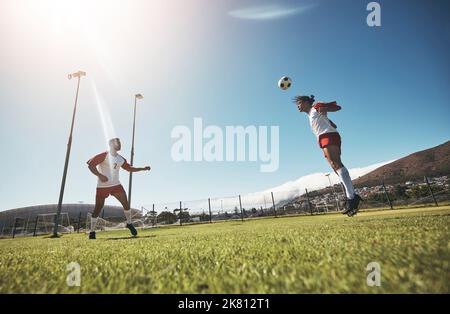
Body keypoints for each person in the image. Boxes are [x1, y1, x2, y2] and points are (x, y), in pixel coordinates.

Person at [293, 95, 361, 216]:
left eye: (299, 103)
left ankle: (352, 197)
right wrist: (328, 120)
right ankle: (351, 196)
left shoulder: (316, 106)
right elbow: (334, 125)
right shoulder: (310, 115)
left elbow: (337, 107)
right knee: (335, 167)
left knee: (336, 164)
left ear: (305, 102)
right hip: (324, 137)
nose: (297, 106)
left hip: (328, 136)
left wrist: (325, 108)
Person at [86, 138, 151, 239]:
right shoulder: (104, 155)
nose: (120, 144)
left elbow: (129, 168)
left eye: (120, 142)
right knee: (98, 209)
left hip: (116, 185)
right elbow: (90, 165)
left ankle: (129, 223)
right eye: (118, 142)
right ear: (111, 144)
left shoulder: (121, 159)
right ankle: (92, 232)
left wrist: (142, 168)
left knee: (126, 203)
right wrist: (99, 175)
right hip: (102, 186)